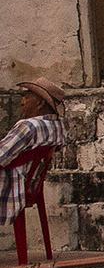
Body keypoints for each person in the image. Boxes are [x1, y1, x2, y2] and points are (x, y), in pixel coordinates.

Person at [0, 77, 66, 233]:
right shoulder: (58, 127)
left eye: (27, 96)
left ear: (40, 103)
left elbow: (1, 157)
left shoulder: (28, 126)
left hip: (10, 186)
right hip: (31, 186)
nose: (22, 101)